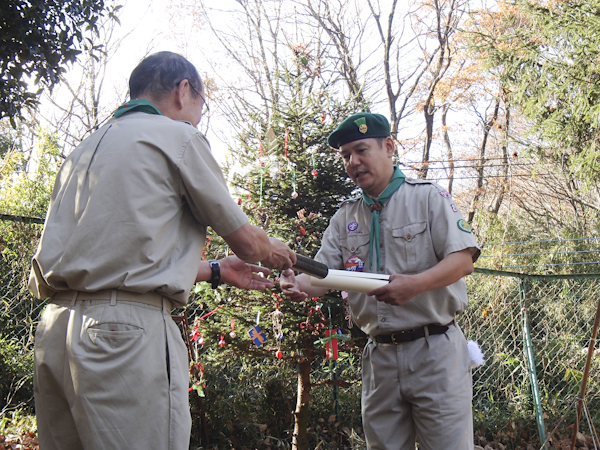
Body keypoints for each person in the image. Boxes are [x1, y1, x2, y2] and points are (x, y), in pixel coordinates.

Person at [29, 51, 296, 450]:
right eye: (201, 106)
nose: (198, 118)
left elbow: (120, 259)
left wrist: (217, 271)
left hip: (54, 332)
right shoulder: (177, 137)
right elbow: (247, 242)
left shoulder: (83, 149)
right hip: (122, 337)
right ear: (183, 90)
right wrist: (277, 250)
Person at [281, 112, 480, 450]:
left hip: (435, 352)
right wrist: (297, 284)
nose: (353, 162)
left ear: (388, 147)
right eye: (346, 156)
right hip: (380, 357)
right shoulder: (345, 217)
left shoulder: (428, 198)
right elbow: (323, 277)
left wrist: (415, 284)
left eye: (361, 150)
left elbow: (462, 261)